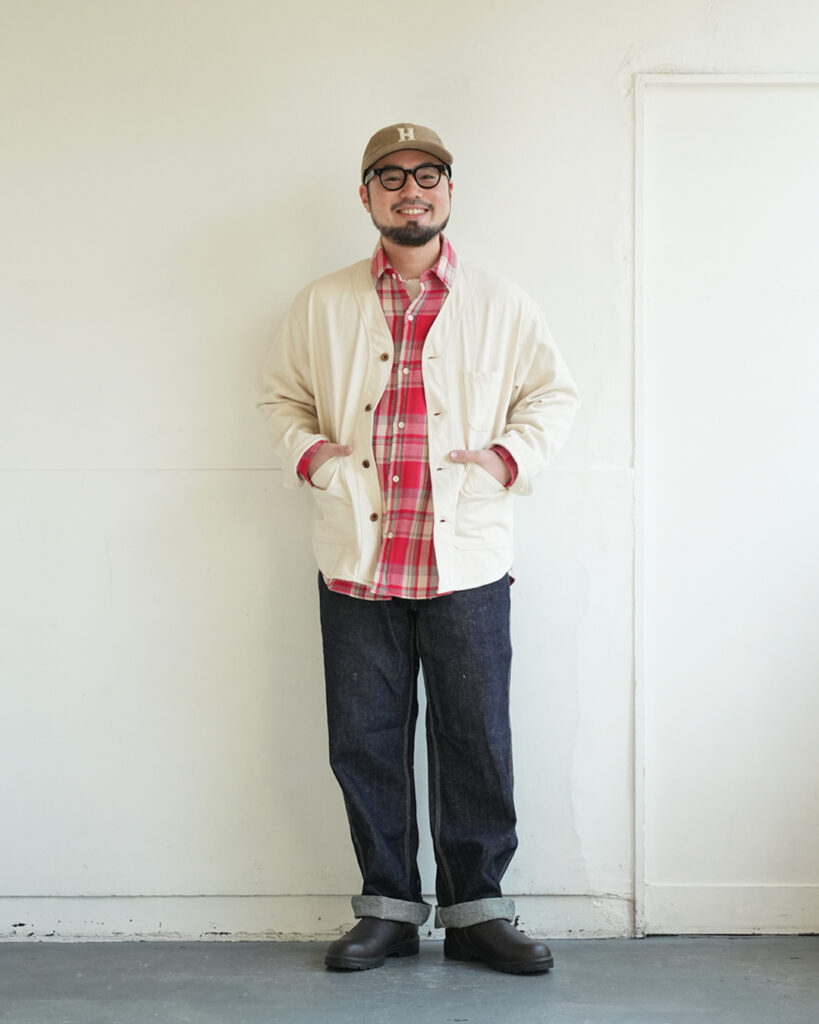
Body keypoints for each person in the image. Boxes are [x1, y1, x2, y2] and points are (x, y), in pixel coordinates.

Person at [259, 123, 579, 974]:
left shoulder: (501, 302)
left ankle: (477, 913)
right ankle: (389, 910)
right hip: (357, 558)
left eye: (427, 175)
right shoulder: (322, 303)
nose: (412, 190)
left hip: (464, 556)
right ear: (365, 195)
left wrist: (506, 459)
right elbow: (280, 399)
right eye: (391, 177)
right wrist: (314, 457)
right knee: (364, 739)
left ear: (448, 191)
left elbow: (552, 397)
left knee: (475, 737)